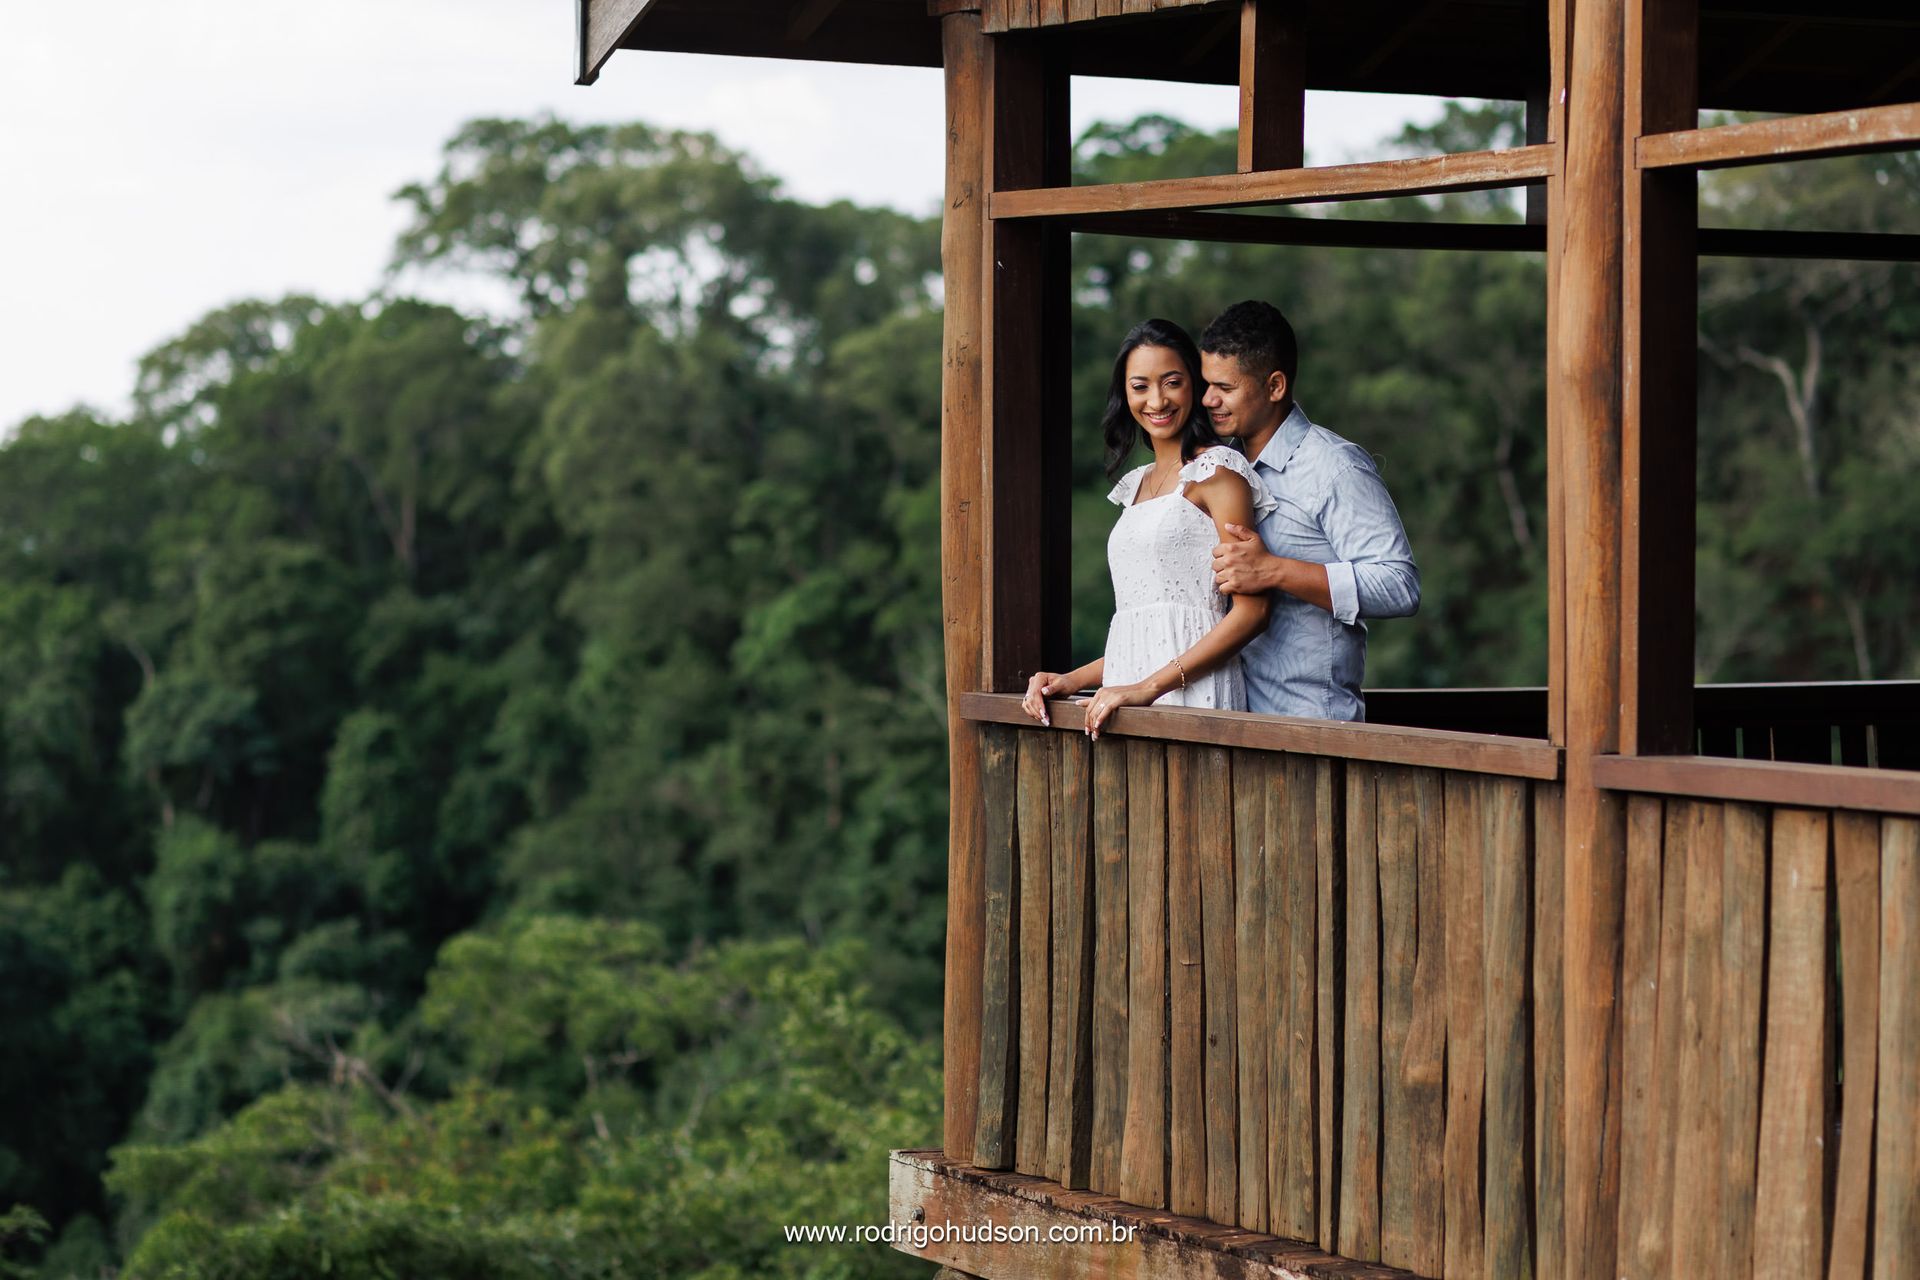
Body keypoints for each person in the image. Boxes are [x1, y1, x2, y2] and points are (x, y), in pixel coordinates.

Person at [1020, 318, 1273, 739]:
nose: (1157, 400)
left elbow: (1253, 612)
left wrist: (1148, 688)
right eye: (1140, 387)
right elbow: (1145, 627)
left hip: (1193, 695)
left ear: (1194, 384)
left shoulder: (1217, 472)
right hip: (1128, 699)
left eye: (1171, 382)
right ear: (1125, 394)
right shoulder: (1136, 484)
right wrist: (1072, 679)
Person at [1201, 300, 1420, 721]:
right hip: (1228, 721)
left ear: (1275, 386)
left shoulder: (1335, 466)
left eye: (1225, 388)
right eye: (1206, 384)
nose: (1209, 399)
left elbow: (1400, 585)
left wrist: (1275, 570)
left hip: (1311, 728)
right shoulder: (1219, 468)